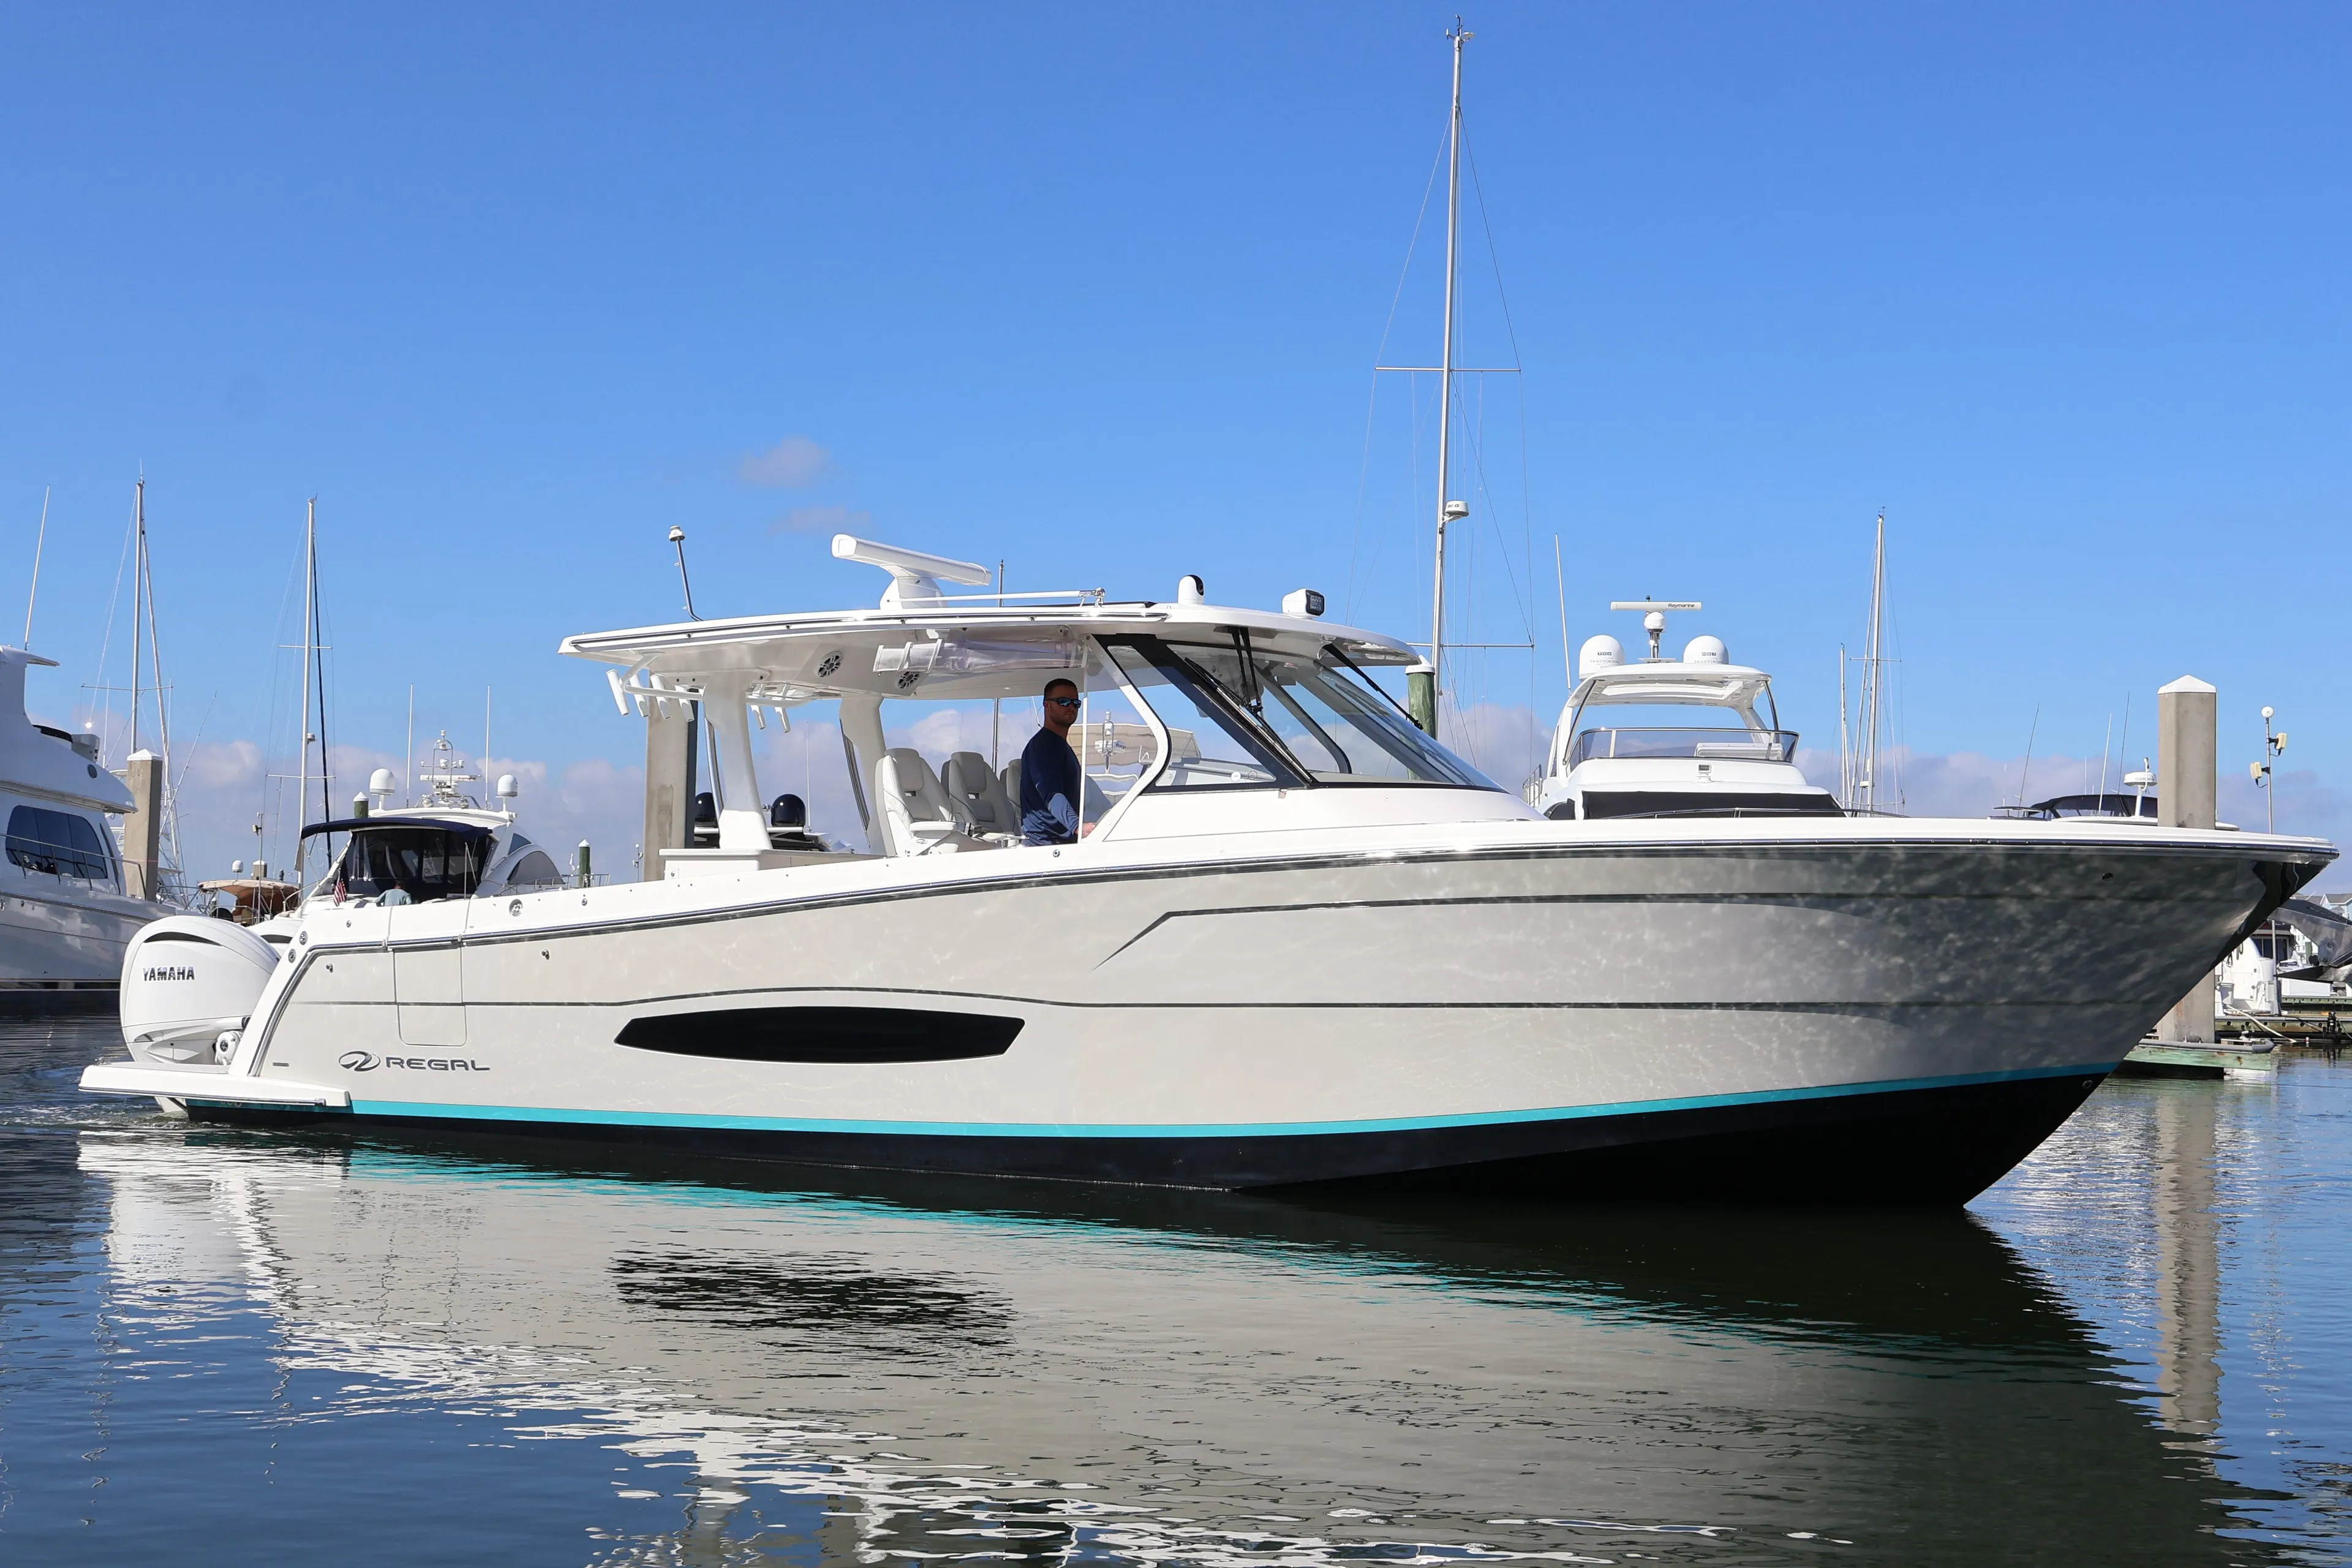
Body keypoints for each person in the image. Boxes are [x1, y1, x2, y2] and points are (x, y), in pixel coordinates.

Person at [1020, 679, 1087, 846]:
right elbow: (1052, 794)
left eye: (1076, 703)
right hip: (1045, 846)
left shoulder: (1060, 746)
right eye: (1063, 701)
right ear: (1047, 705)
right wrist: (1078, 827)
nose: (1070, 707)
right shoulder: (1043, 746)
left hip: (1061, 844)